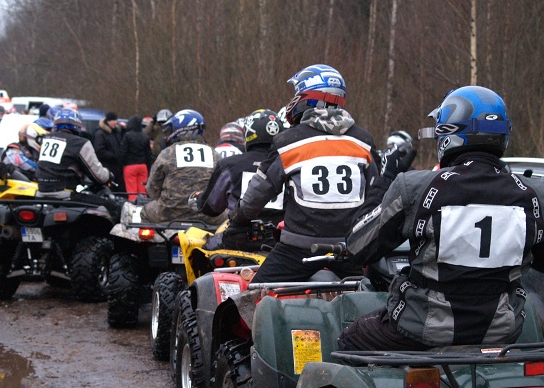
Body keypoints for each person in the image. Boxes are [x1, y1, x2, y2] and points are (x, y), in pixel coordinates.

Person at [337, 85, 544, 351]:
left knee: (350, 338)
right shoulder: (537, 195)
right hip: (500, 332)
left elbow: (358, 246)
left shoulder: (415, 187)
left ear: (448, 134)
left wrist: (383, 179)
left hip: (422, 330)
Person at [227, 64, 380, 283]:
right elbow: (378, 193)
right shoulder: (364, 141)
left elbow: (257, 194)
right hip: (351, 249)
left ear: (309, 97)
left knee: (256, 292)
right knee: (378, 294)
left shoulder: (288, 141)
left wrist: (238, 218)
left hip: (298, 249)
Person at [191, 109, 286, 251]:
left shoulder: (229, 165)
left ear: (249, 133)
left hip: (238, 240)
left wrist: (199, 199)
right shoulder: (292, 164)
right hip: (279, 242)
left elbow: (211, 208)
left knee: (198, 247)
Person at [141, 108, 226, 225]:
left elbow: (152, 190)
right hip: (207, 215)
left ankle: (154, 238)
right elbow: (222, 188)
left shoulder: (167, 153)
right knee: (229, 216)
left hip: (169, 214)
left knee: (145, 211)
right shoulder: (215, 154)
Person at [35, 108, 116, 214]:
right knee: (110, 205)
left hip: (41, 193)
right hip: (65, 194)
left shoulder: (46, 139)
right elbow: (98, 176)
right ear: (77, 124)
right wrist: (109, 175)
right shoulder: (80, 143)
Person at [120, 114, 154, 198]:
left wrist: (122, 164)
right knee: (143, 191)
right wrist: (149, 167)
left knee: (132, 192)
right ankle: (143, 204)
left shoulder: (127, 135)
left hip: (130, 166)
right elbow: (148, 154)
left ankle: (133, 204)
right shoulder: (145, 136)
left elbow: (123, 152)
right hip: (143, 166)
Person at [93, 111, 125, 191]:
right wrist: (114, 156)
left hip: (117, 167)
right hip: (107, 167)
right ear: (108, 121)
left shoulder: (116, 132)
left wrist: (124, 129)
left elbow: (123, 141)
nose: (115, 122)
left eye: (116, 120)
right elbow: (99, 151)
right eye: (113, 120)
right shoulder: (100, 133)